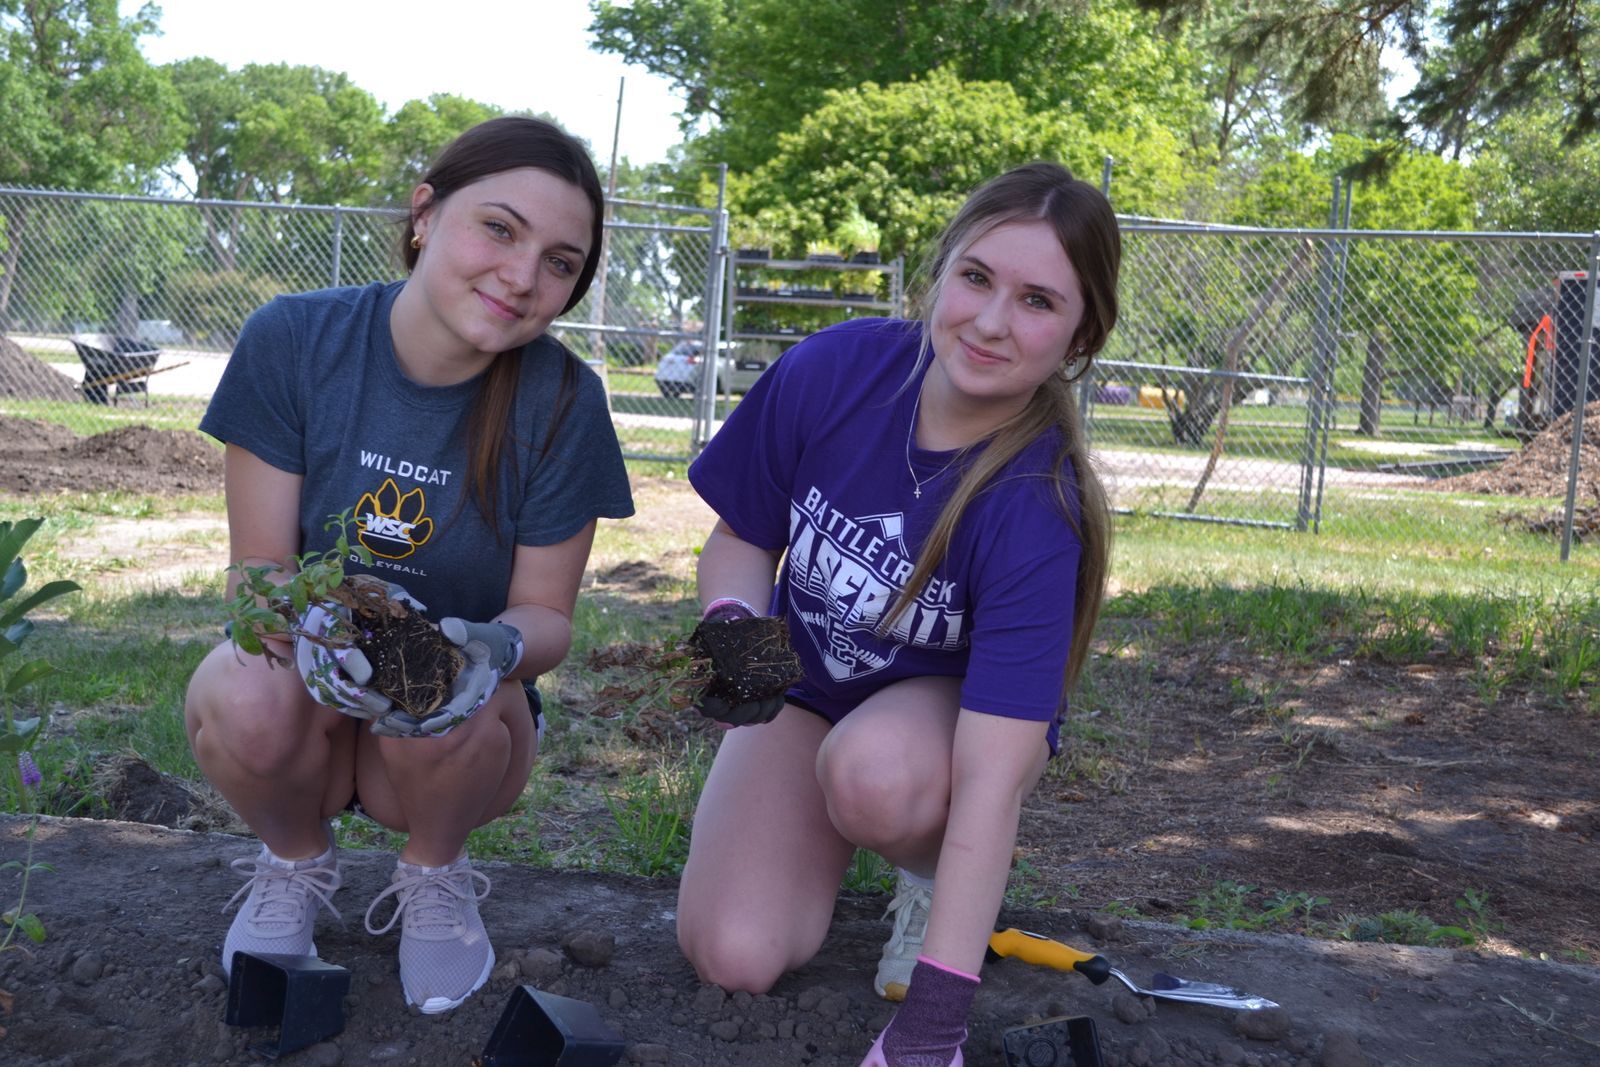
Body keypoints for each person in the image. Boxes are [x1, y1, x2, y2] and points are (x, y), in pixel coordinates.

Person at [185, 116, 634, 1014]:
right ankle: (293, 860)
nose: (521, 276)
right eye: (499, 228)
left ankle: (434, 869)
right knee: (244, 688)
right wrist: (316, 623)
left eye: (559, 261)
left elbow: (546, 615)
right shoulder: (296, 339)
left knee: (443, 690)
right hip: (306, 692)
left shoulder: (564, 400)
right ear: (424, 213)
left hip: (455, 742)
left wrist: (485, 651)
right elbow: (257, 575)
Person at [676, 162, 1117, 1067]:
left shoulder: (1039, 505)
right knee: (732, 955)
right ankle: (826, 845)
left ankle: (931, 882)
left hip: (935, 744)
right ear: (940, 271)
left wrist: (930, 1029)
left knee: (872, 774)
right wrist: (733, 625)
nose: (992, 321)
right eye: (977, 277)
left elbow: (995, 777)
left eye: (1038, 300)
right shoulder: (837, 369)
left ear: (1080, 335)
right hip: (806, 692)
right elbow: (740, 539)